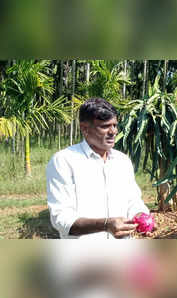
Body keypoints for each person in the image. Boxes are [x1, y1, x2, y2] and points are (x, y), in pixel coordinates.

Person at [46, 98, 150, 239]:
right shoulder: (64, 161)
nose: (113, 131)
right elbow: (61, 219)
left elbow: (133, 201)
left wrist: (140, 215)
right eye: (105, 126)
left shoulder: (122, 161)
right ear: (84, 128)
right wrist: (106, 225)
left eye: (115, 125)